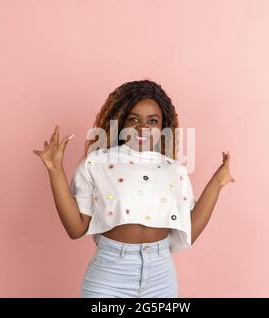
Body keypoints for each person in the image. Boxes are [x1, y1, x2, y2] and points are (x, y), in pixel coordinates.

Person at [33, 80, 235, 297]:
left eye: (152, 121)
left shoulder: (173, 170)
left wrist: (217, 182)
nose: (143, 128)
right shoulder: (97, 163)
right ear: (120, 123)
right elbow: (76, 229)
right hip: (110, 275)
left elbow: (190, 230)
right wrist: (55, 170)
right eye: (134, 119)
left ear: (162, 128)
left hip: (160, 275)